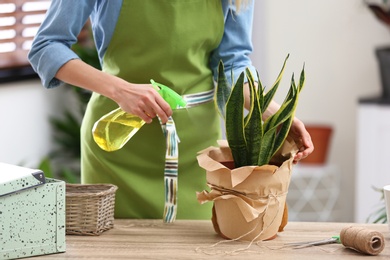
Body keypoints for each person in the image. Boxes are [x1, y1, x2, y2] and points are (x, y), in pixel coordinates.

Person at [28, 0, 314, 221]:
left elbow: (232, 62)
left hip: (197, 154)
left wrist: (276, 114)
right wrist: (119, 89)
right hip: (118, 146)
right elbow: (46, 46)